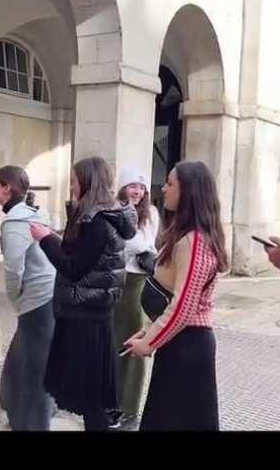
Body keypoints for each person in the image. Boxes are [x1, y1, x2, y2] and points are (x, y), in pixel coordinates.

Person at [30, 156, 137, 432]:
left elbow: (73, 267)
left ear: (89, 182)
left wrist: (45, 239)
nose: (72, 186)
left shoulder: (99, 221)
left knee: (91, 398)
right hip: (90, 312)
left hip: (86, 316)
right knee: (91, 397)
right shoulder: (97, 215)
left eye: (75, 180)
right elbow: (79, 255)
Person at [125, 161, 228, 431]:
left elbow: (184, 305)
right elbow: (170, 299)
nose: (164, 189)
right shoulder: (185, 236)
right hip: (179, 343)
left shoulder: (195, 241)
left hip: (188, 346)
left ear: (189, 192)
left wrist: (149, 343)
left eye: (171, 184)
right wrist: (148, 333)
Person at [0, 166, 56, 430]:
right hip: (47, 297)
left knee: (35, 369)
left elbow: (13, 270)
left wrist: (16, 301)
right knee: (20, 359)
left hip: (37, 301)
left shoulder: (15, 223)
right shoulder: (33, 214)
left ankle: (35, 423)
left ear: (7, 188)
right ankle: (10, 402)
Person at [111, 166, 160, 430]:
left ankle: (128, 409)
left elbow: (139, 244)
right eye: (132, 186)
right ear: (122, 187)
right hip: (114, 279)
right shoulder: (114, 209)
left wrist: (120, 235)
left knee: (132, 343)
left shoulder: (149, 212)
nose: (138, 191)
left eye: (141, 187)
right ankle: (113, 401)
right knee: (113, 341)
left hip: (135, 282)